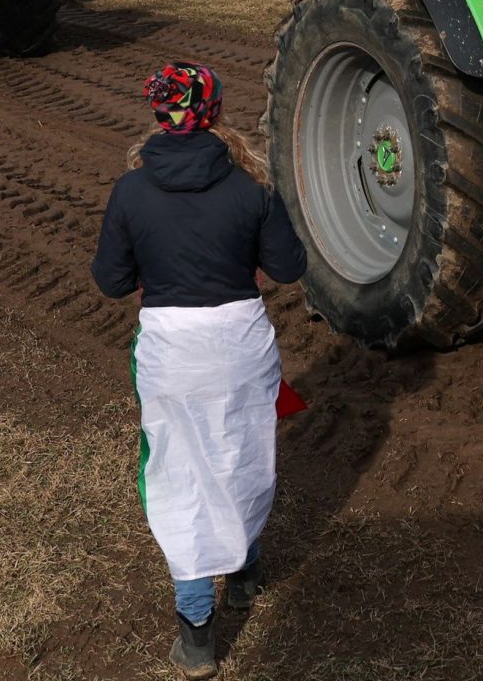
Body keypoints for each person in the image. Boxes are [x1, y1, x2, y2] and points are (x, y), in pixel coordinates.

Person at [92, 63, 307, 678]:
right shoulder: (251, 185)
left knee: (179, 474)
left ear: (158, 114)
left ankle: (196, 637)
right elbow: (287, 269)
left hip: (170, 349)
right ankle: (243, 572)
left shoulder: (131, 191)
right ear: (212, 113)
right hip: (240, 341)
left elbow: (109, 281)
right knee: (241, 453)